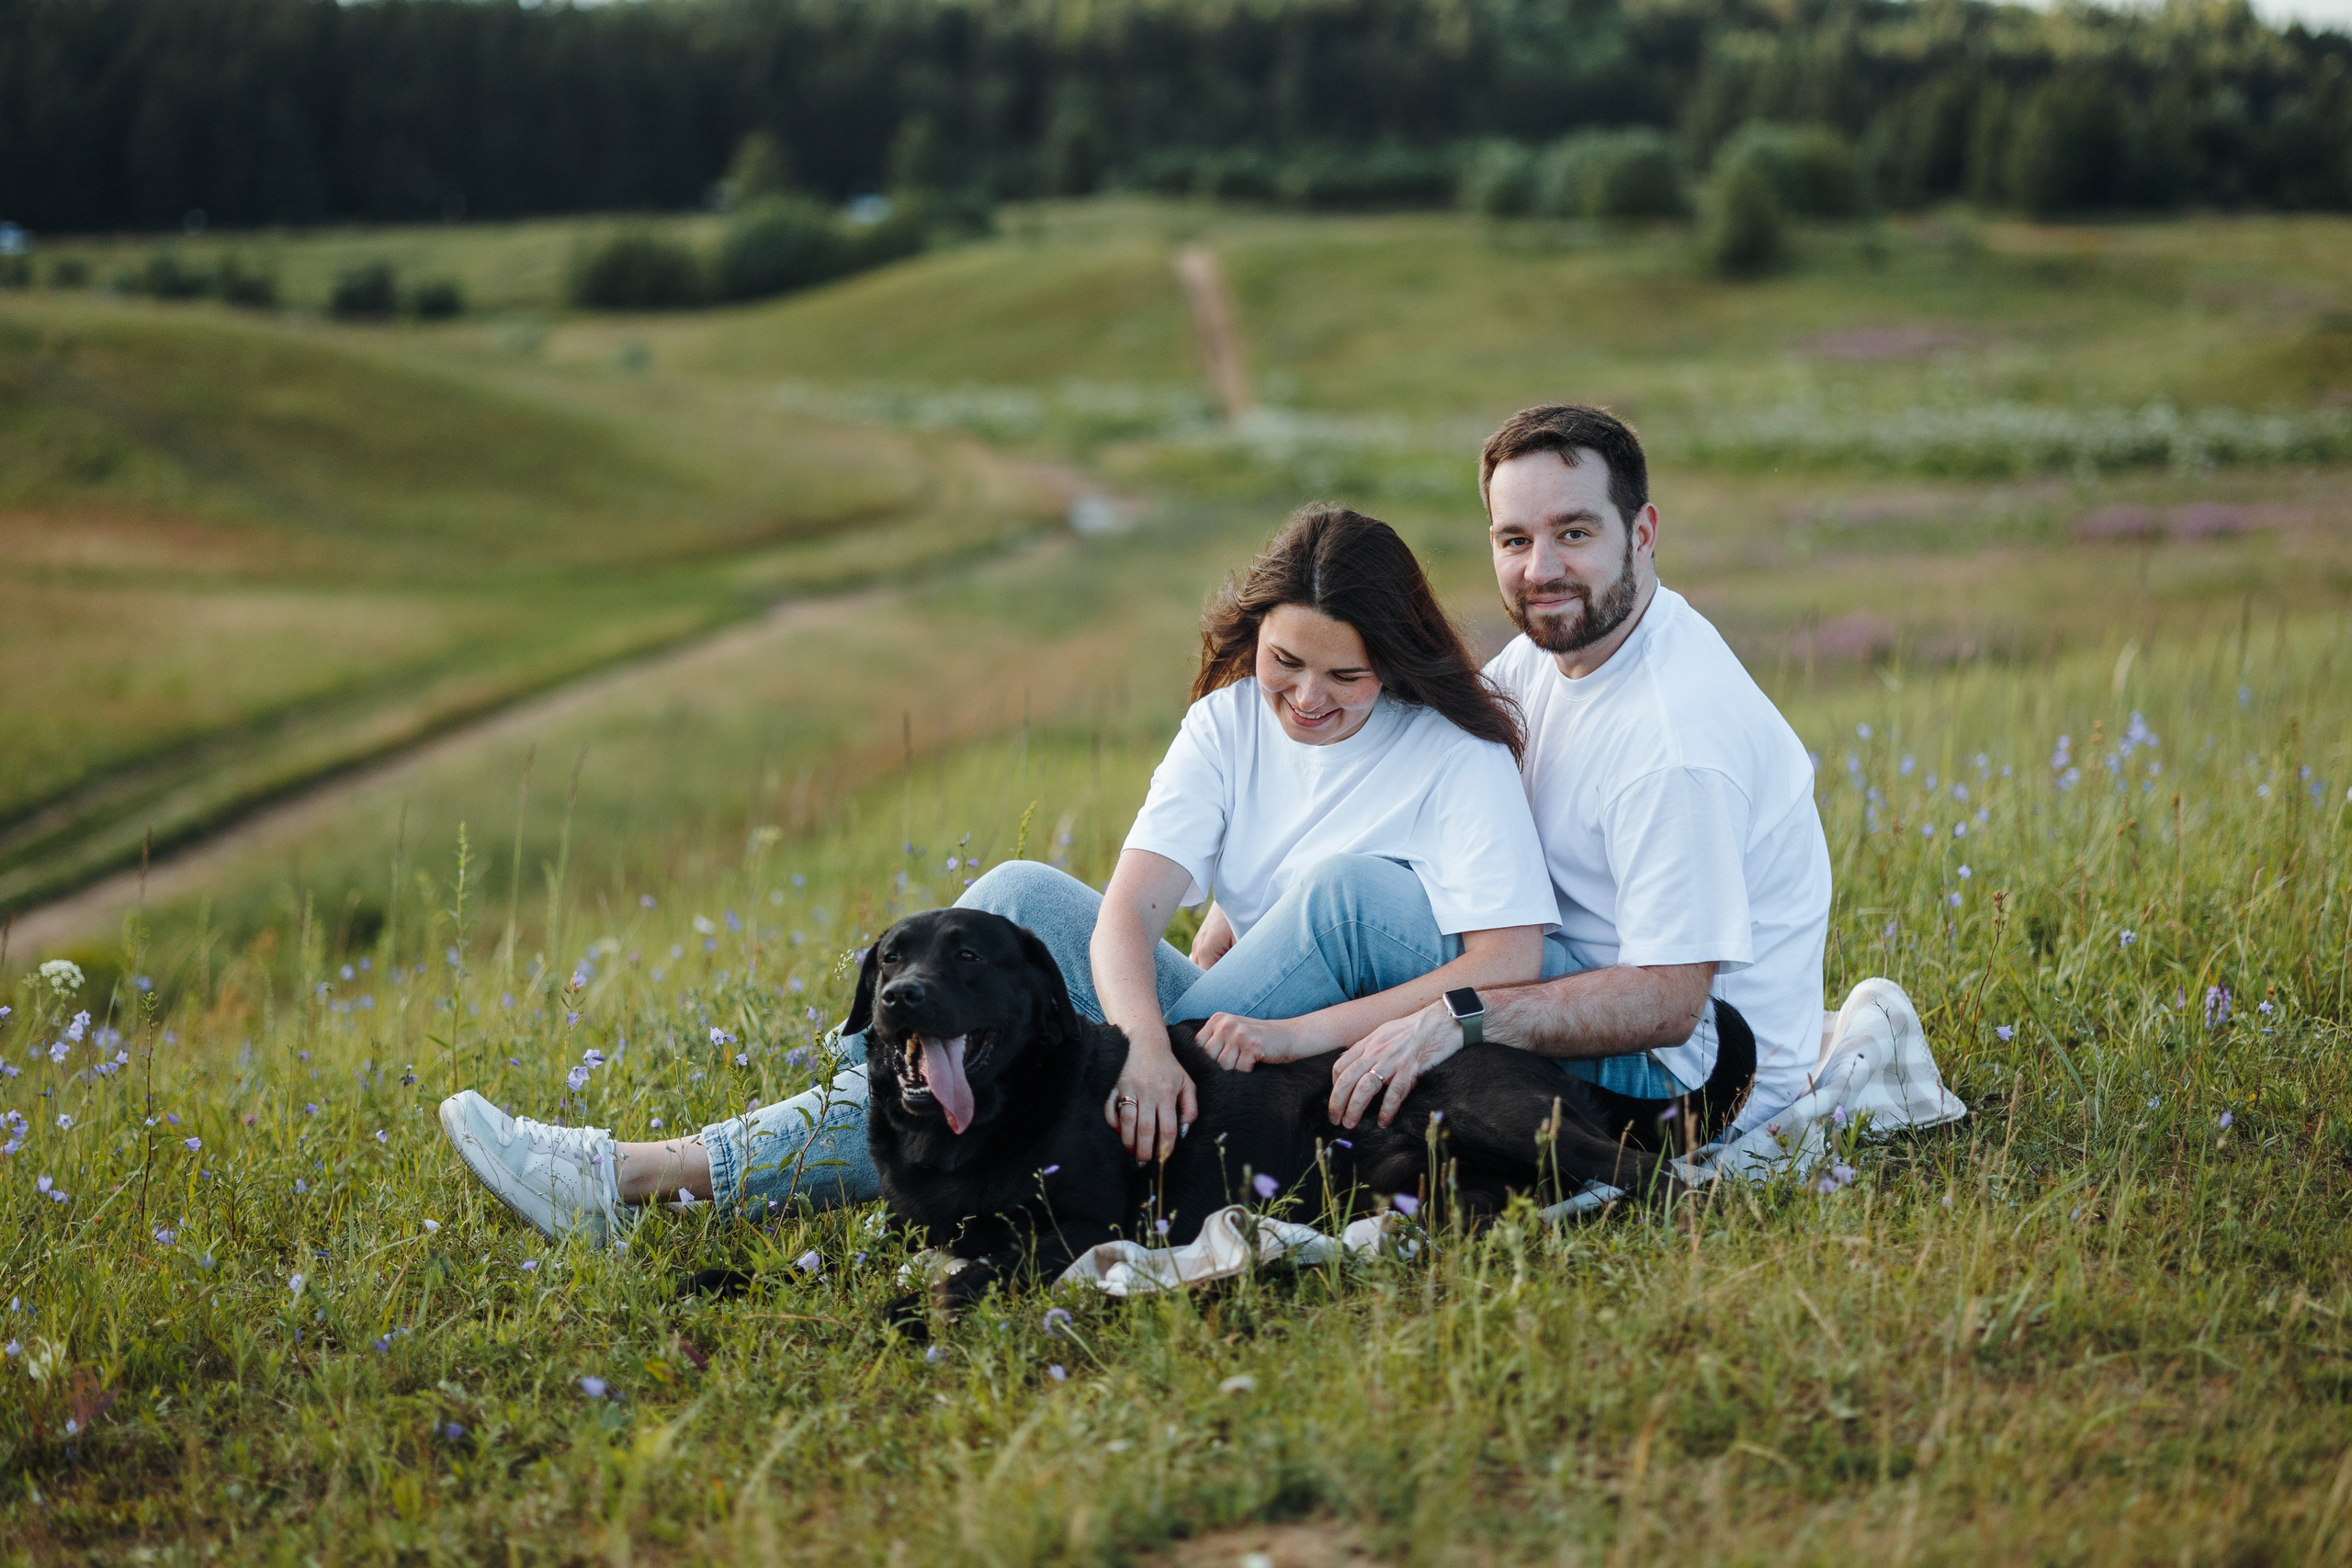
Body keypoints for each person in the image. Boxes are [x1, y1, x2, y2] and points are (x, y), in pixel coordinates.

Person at [437, 503, 1563, 1244]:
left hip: (1373, 1032)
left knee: (1345, 894)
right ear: (1252, 639)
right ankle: (784, 1141)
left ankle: (641, 1181)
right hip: (1224, 1032)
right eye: (1282, 666)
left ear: (1397, 661)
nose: (1307, 700)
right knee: (1020, 892)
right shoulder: (1228, 723)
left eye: (1344, 677)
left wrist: (1291, 1036)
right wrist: (1150, 1045)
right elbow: (1130, 910)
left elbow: (1506, 961)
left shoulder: (1451, 756)